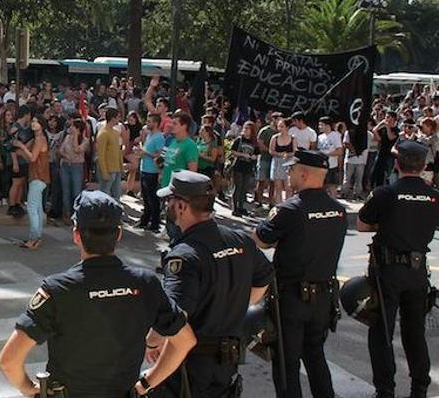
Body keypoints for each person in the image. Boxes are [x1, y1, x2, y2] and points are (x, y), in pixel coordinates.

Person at [0, 190, 196, 397]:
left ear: (76, 235)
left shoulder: (57, 289)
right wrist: (146, 383)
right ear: (118, 234)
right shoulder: (146, 284)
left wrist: (29, 389)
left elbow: (9, 360)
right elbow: (184, 341)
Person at [154, 171, 272, 397]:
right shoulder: (240, 240)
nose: (167, 205)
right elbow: (264, 277)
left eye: (170, 200)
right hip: (228, 359)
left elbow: (175, 317)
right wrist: (230, 306)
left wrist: (153, 343)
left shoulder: (184, 256)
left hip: (192, 364)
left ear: (181, 207)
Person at [253, 150, 347, 398]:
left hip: (292, 298)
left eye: (292, 169)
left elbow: (262, 240)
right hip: (323, 297)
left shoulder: (291, 209)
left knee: (287, 362)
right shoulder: (337, 209)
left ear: (304, 173)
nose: (288, 172)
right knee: (315, 356)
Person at [356, 140, 439, 398]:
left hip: (388, 271)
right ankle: (420, 388)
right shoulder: (434, 195)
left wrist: (388, 226)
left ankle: (386, 390)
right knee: (415, 333)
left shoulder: (386, 193)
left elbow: (362, 225)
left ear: (396, 163)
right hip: (417, 271)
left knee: (381, 332)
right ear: (424, 166)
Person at [13, 117, 49, 249]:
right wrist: (20, 151)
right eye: (32, 121)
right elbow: (30, 156)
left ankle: (34, 238)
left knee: (32, 208)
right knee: (38, 208)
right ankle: (36, 236)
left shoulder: (40, 139)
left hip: (38, 177)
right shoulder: (36, 139)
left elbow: (33, 158)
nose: (33, 124)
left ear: (42, 124)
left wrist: (22, 146)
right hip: (38, 177)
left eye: (36, 121)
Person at [136, 114, 165, 232]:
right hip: (144, 169)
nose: (147, 123)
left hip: (152, 171)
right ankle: (145, 220)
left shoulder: (159, 137)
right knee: (146, 198)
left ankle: (155, 223)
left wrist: (145, 152)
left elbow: (159, 156)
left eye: (149, 121)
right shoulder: (149, 135)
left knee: (153, 198)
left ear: (156, 123)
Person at [58, 118, 89, 225]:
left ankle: (76, 215)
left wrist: (76, 136)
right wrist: (66, 156)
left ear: (77, 128)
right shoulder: (67, 137)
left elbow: (77, 149)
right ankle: (66, 214)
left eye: (73, 126)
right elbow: (60, 150)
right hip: (66, 166)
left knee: (76, 192)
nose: (70, 128)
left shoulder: (85, 140)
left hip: (77, 167)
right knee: (66, 192)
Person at [228, 121, 260, 217]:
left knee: (244, 188)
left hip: (248, 167)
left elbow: (257, 154)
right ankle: (235, 208)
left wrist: (254, 157)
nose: (245, 131)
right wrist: (243, 154)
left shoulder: (254, 142)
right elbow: (232, 151)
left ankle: (241, 207)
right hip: (238, 165)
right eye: (244, 128)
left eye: (248, 129)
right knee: (238, 186)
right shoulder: (239, 140)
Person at [160, 112, 199, 188]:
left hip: (178, 191)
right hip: (165, 186)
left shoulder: (190, 145)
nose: (171, 126)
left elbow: (192, 172)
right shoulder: (173, 141)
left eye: (175, 123)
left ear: (184, 126)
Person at [96, 107, 123, 200]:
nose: (119, 119)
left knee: (117, 196)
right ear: (112, 118)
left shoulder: (116, 132)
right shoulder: (103, 133)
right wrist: (104, 172)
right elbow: (100, 154)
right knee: (104, 196)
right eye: (118, 117)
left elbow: (118, 151)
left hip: (116, 169)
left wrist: (121, 166)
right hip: (108, 170)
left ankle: (116, 214)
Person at [269, 118, 297, 205]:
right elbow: (271, 151)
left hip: (289, 164)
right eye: (279, 127)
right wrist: (280, 154)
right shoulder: (275, 138)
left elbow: (295, 151)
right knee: (278, 187)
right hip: (277, 163)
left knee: (288, 187)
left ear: (287, 127)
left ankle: (288, 206)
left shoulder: (293, 138)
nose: (280, 128)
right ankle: (279, 206)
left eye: (282, 126)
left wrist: (288, 155)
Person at [256, 113, 281, 206]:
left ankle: (271, 202)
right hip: (264, 158)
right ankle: (259, 201)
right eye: (278, 119)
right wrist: (270, 150)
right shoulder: (265, 130)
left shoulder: (280, 132)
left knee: (273, 182)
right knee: (261, 180)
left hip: (275, 160)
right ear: (273, 119)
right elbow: (260, 144)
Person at [317, 117, 343, 197]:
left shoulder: (335, 135)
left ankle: (334, 204)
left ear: (328, 125)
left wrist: (327, 154)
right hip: (321, 166)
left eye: (321, 125)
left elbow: (340, 151)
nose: (319, 127)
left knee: (331, 186)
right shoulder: (320, 137)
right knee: (322, 186)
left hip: (331, 165)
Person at [371, 111, 398, 187]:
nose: (386, 119)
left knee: (388, 173)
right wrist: (380, 124)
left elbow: (391, 137)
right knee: (376, 171)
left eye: (388, 117)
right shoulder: (383, 128)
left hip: (390, 155)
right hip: (381, 152)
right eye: (386, 117)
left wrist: (387, 127)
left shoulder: (396, 129)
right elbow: (375, 132)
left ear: (393, 118)